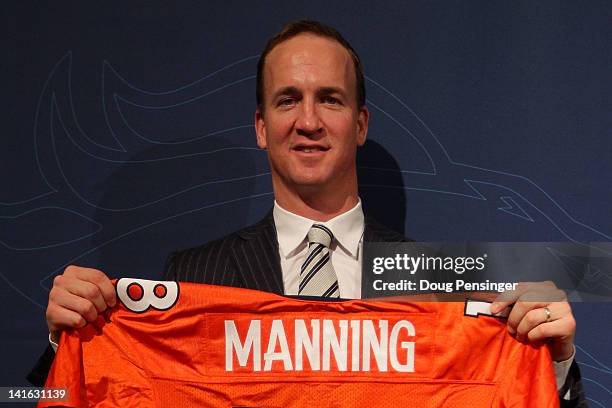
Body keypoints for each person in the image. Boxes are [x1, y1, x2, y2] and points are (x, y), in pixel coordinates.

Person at [29, 20, 584, 405]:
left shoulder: (440, 282)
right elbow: (38, 398)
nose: (310, 121)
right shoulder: (192, 276)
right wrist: (68, 346)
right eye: (288, 99)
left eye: (331, 99)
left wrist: (552, 366)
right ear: (261, 127)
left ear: (360, 124)